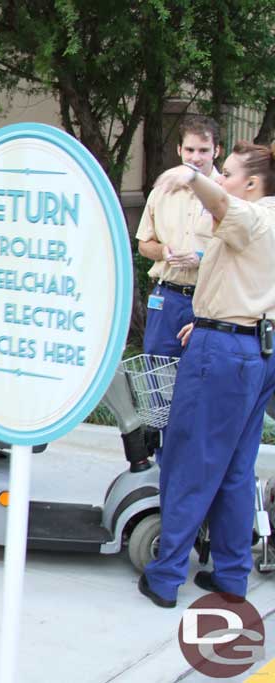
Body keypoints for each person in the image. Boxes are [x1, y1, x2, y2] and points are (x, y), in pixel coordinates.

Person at [138, 141, 275, 608]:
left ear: (252, 185)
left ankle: (165, 576)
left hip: (222, 354)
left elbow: (222, 205)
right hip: (258, 346)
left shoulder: (252, 217)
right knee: (236, 469)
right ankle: (232, 575)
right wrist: (222, 315)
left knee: (189, 462)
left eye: (228, 173)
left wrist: (191, 176)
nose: (220, 179)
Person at [136, 116, 223, 358]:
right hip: (166, 298)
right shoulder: (162, 191)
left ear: (217, 150)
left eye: (203, 150)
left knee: (201, 374)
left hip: (210, 300)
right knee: (155, 371)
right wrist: (164, 252)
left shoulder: (227, 193)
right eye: (190, 149)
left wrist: (201, 258)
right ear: (179, 150)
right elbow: (144, 245)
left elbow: (242, 253)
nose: (195, 157)